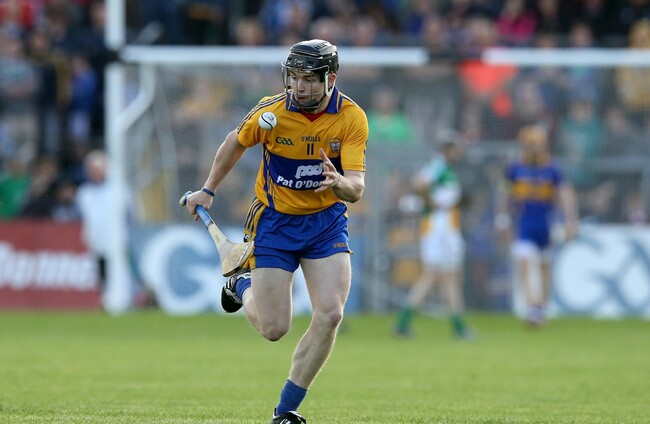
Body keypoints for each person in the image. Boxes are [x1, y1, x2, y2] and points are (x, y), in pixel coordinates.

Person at [182, 39, 368, 424]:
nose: (298, 86)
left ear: (330, 80)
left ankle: (285, 411)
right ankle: (241, 285)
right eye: (294, 77)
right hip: (274, 222)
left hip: (325, 222)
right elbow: (235, 142)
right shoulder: (272, 112)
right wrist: (208, 189)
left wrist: (339, 183)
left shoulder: (351, 118)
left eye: (308, 79)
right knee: (274, 328)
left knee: (330, 314)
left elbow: (356, 188)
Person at [495, 125, 579, 327]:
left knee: (544, 266)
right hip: (525, 223)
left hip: (546, 223)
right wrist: (502, 218)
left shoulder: (552, 168)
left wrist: (570, 220)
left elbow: (565, 193)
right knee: (524, 262)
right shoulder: (515, 169)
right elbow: (504, 192)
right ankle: (532, 306)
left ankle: (542, 307)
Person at [394, 138, 473, 340]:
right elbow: (419, 183)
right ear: (447, 150)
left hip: (443, 228)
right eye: (455, 150)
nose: (458, 154)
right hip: (440, 228)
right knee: (441, 276)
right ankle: (457, 327)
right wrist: (430, 202)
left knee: (442, 277)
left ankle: (406, 322)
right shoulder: (439, 165)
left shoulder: (445, 168)